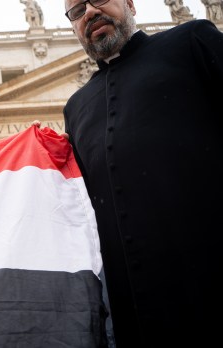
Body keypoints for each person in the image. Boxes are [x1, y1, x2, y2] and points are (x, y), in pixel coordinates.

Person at [62, 0, 223, 346]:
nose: (89, 12)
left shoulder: (191, 41)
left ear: (131, 3)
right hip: (134, 311)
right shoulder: (76, 108)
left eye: (99, 0)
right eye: (76, 11)